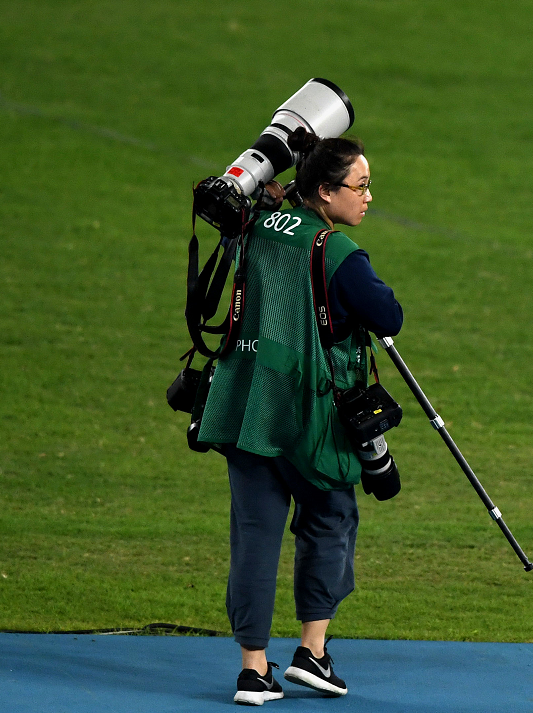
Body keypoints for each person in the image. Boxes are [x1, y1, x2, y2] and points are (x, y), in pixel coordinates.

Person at [196, 127, 402, 705]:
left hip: (246, 406)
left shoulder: (256, 224)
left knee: (255, 538)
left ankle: (252, 670)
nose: (367, 197)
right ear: (325, 192)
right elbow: (388, 314)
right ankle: (312, 653)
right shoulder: (337, 252)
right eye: (359, 187)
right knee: (332, 518)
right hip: (313, 417)